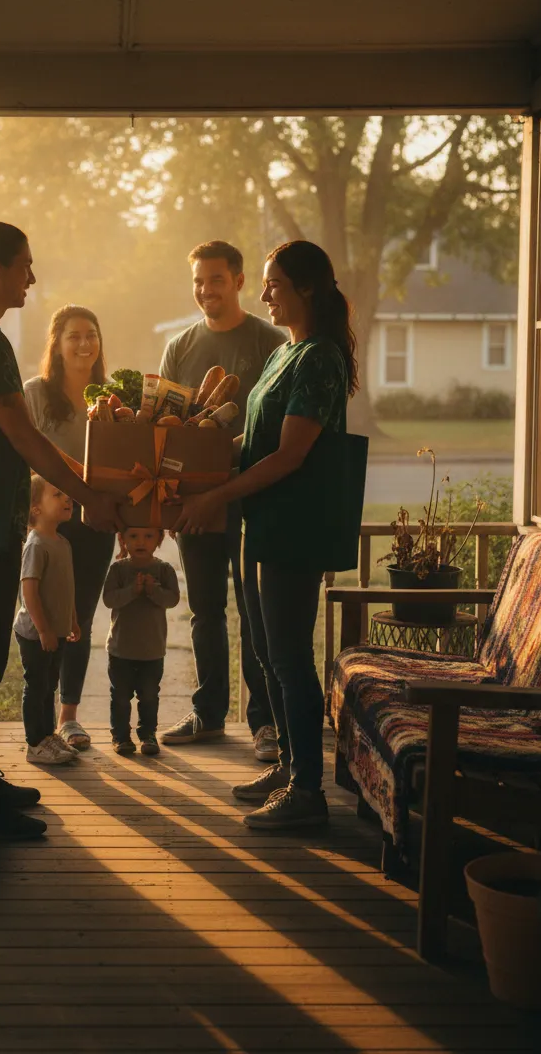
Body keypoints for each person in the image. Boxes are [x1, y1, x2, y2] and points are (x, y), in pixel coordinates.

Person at [0, 222, 119, 841]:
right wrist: (89, 497)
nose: (31, 277)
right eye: (24, 265)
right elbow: (24, 436)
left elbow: (20, 435)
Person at [175, 240, 359, 831]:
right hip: (262, 523)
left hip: (293, 529)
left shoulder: (320, 358)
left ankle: (308, 792)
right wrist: (191, 460)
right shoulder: (286, 353)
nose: (263, 294)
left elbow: (287, 456)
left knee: (289, 657)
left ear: (306, 288)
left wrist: (214, 497)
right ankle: (286, 767)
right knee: (266, 651)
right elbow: (252, 442)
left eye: (274, 284)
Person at [158, 240, 287, 759]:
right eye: (198, 281)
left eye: (215, 279)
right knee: (205, 611)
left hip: (256, 498)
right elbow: (165, 431)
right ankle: (208, 714)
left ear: (238, 280)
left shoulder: (270, 341)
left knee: (256, 612)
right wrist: (171, 499)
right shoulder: (180, 347)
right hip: (195, 503)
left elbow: (277, 432)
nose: (205, 289)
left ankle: (265, 722)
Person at [24, 307, 115, 752]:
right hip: (46, 528)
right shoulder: (35, 394)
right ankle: (39, 720)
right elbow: (23, 455)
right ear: (56, 345)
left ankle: (69, 718)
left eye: (91, 335)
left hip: (96, 521)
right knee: (43, 618)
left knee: (80, 619)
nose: (84, 344)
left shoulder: (113, 397)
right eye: (74, 336)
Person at [14, 476, 80, 767]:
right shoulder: (36, 544)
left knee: (50, 685)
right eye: (57, 494)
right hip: (35, 632)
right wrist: (44, 630)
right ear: (36, 509)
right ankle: (35, 743)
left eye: (67, 494)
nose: (68, 499)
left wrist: (72, 620)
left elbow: (66, 588)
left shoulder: (62, 543)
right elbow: (29, 591)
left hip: (57, 630)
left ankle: (48, 736)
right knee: (37, 685)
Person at [103, 527, 181, 757]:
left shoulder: (164, 570)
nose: (141, 542)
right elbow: (109, 599)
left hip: (152, 650)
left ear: (159, 539)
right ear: (122, 539)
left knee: (149, 696)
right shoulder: (118, 569)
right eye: (133, 536)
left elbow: (172, 599)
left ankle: (148, 735)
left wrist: (153, 590)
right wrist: (133, 590)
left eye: (148, 536)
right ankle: (121, 736)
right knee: (120, 696)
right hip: (120, 649)